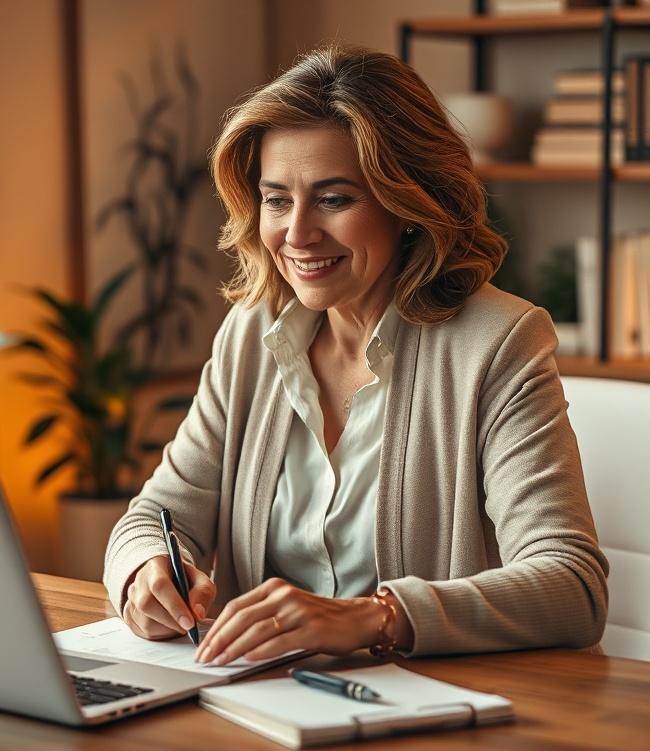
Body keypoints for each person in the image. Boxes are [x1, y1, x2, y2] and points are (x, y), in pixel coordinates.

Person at [104, 45, 608, 663]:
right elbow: (156, 513)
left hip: (424, 722)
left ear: (409, 205)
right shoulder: (252, 334)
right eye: (276, 199)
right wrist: (145, 572)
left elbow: (572, 584)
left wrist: (374, 617)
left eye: (335, 199)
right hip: (258, 707)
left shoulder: (498, 343)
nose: (297, 234)